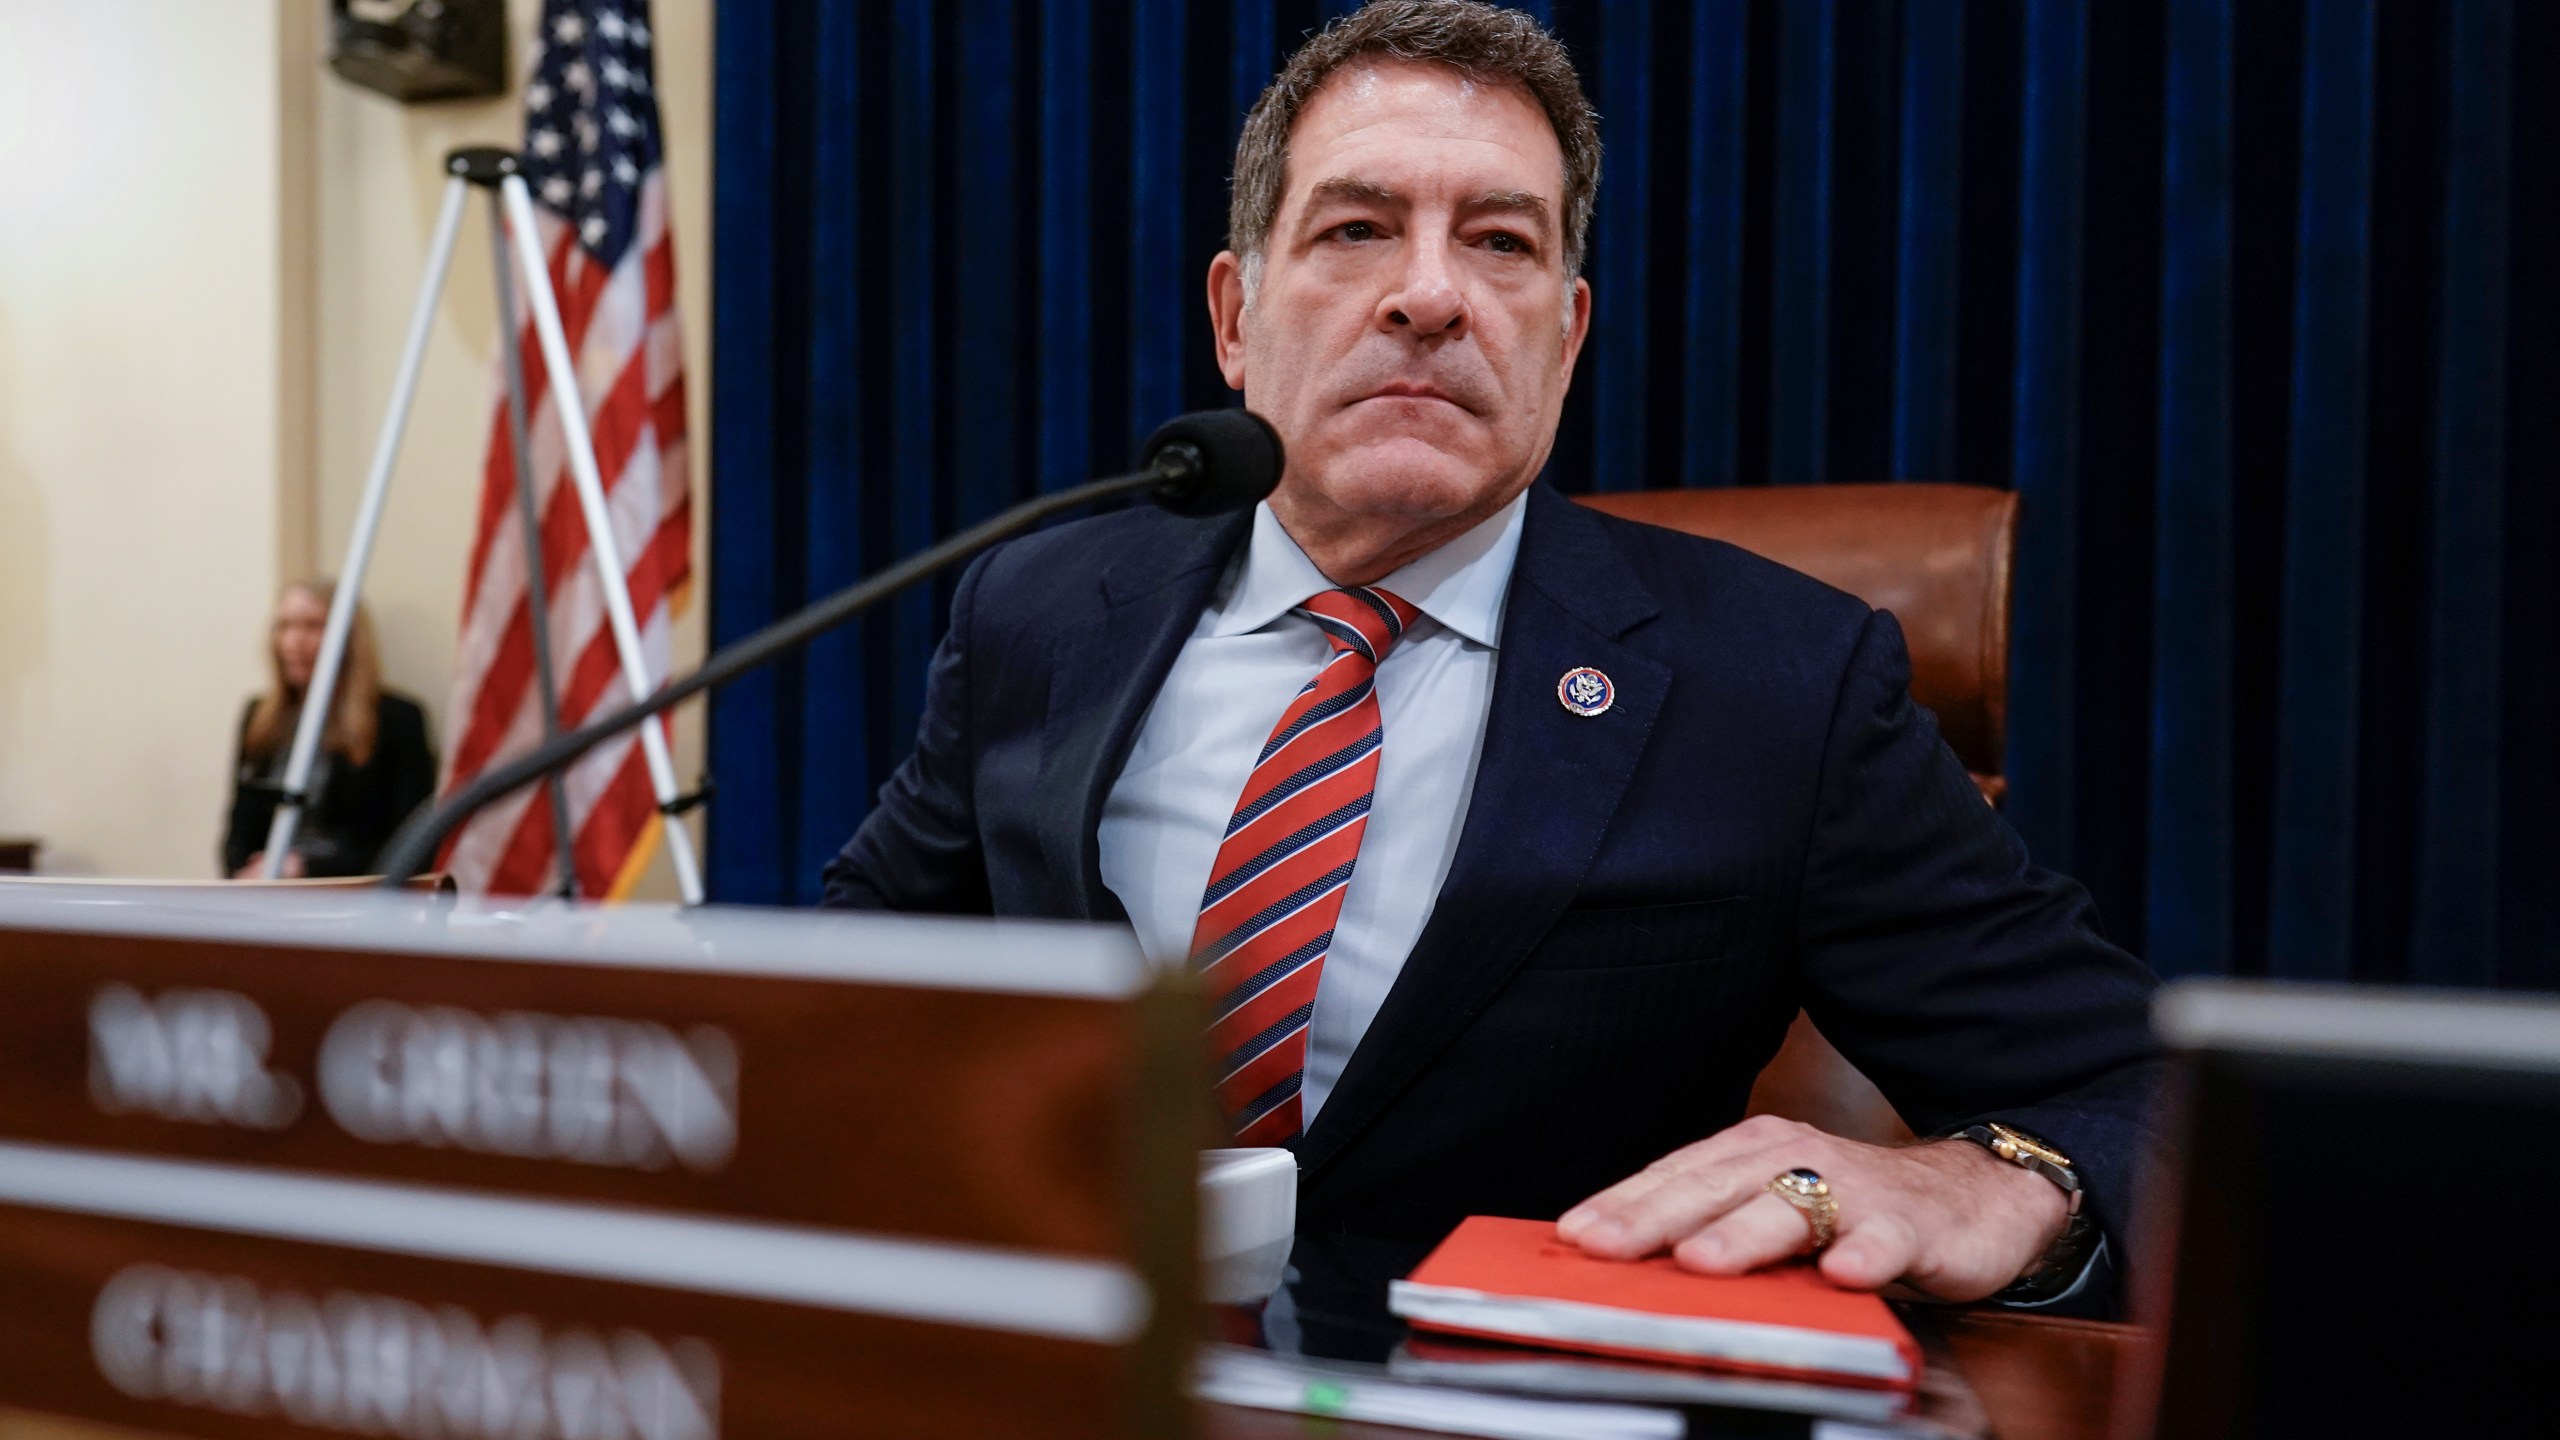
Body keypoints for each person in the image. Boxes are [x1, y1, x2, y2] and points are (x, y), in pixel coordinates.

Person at [823, 0, 2159, 1313]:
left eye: (1500, 242)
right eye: (1355, 229)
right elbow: (837, 1014)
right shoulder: (1041, 610)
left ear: (1566, 337)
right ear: (1236, 320)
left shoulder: (1780, 689)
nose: (1427, 295)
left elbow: (2144, 1103)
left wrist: (1996, 1189)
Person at [223, 580, 437, 880]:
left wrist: (308, 869)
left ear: (348, 637)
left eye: (313, 626)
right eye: (284, 626)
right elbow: (237, 833)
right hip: (266, 899)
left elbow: (412, 843)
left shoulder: (397, 719)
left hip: (352, 900)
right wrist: (246, 873)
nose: (294, 642)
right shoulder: (259, 718)